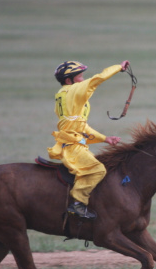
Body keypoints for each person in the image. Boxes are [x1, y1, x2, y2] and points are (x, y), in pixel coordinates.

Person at [48, 60, 129, 219]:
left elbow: (81, 127)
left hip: (75, 143)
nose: (83, 79)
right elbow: (97, 79)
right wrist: (118, 67)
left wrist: (106, 139)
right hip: (73, 147)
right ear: (69, 80)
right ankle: (77, 204)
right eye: (80, 76)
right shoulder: (74, 90)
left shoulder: (65, 95)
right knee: (98, 170)